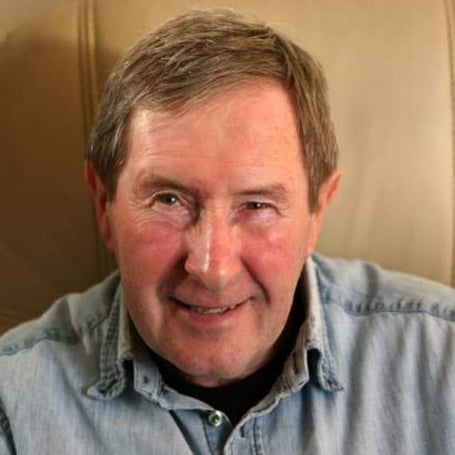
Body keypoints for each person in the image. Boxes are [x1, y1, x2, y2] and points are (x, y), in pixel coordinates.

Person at [0, 8, 453, 454]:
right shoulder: (13, 407)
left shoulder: (443, 364)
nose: (212, 268)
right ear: (104, 205)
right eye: (169, 200)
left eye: (257, 205)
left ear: (317, 211)